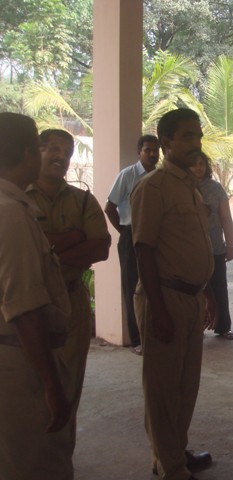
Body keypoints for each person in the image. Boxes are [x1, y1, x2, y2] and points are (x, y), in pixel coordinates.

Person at [131, 108, 214, 480]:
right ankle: (170, 466)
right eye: (187, 136)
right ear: (166, 142)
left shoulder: (189, 185)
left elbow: (193, 246)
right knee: (163, 388)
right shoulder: (153, 187)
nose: (196, 143)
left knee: (185, 385)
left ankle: (173, 452)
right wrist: (159, 309)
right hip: (164, 297)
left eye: (198, 136)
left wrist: (206, 293)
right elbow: (143, 250)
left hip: (192, 297)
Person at [27, 128, 110, 450]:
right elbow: (19, 248)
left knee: (69, 383)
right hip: (31, 304)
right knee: (29, 385)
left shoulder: (83, 200)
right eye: (53, 148)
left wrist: (46, 250)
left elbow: (100, 248)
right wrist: (74, 238)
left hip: (71, 301)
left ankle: (62, 456)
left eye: (67, 151)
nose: (60, 156)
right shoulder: (17, 199)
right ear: (36, 151)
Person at [0, 112, 73, 479]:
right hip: (19, 361)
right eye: (41, 148)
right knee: (38, 462)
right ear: (28, 154)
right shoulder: (12, 214)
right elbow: (26, 310)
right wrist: (52, 384)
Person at [104, 134, 160, 354]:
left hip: (156, 237)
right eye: (148, 150)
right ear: (139, 152)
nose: (152, 154)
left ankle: (154, 334)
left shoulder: (160, 176)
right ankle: (137, 340)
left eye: (155, 150)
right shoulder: (127, 176)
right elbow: (109, 207)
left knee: (155, 284)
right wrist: (125, 232)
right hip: (130, 235)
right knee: (131, 287)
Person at [189, 152, 233, 339]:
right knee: (194, 289)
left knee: (219, 288)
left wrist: (230, 244)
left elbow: (226, 217)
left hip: (215, 246)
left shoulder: (216, 188)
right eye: (194, 164)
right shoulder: (181, 186)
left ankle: (223, 326)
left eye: (201, 163)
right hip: (191, 249)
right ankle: (195, 326)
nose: (198, 167)